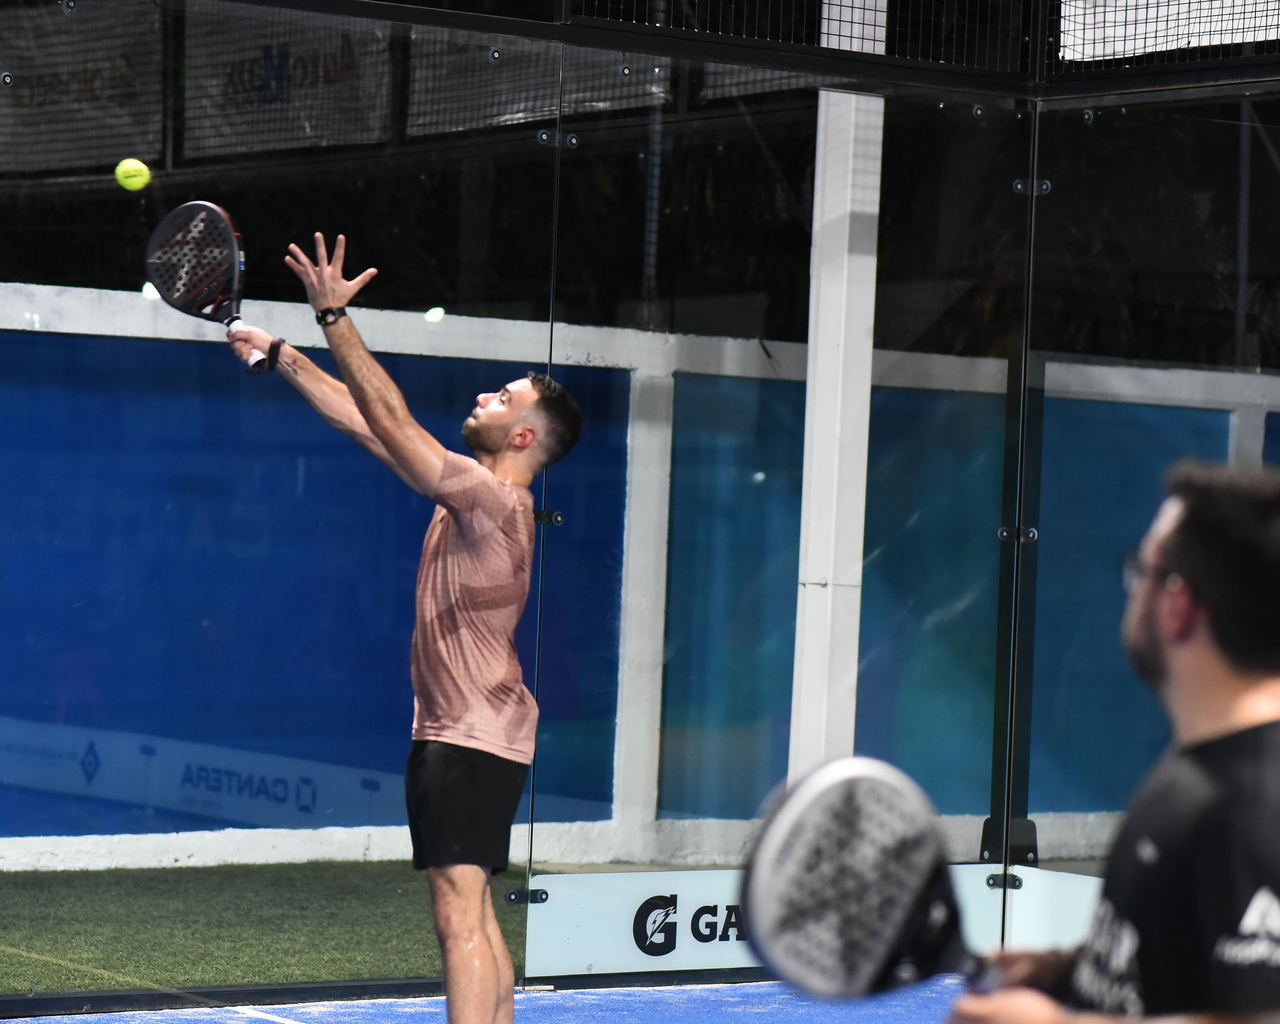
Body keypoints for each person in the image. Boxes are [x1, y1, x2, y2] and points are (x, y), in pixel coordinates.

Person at [226, 233, 583, 1024]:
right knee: (474, 909)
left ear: (524, 438)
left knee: (458, 918)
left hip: (467, 735)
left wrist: (332, 317)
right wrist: (282, 355)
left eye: (504, 400)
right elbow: (370, 425)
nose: (486, 397)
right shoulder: (478, 496)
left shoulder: (491, 501)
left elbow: (390, 414)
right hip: (481, 732)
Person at [950, 460, 1280, 1024]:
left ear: (1177, 605)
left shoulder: (1254, 805)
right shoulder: (1203, 767)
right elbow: (1192, 964)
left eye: (1141, 571)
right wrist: (1064, 969)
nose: (1132, 591)